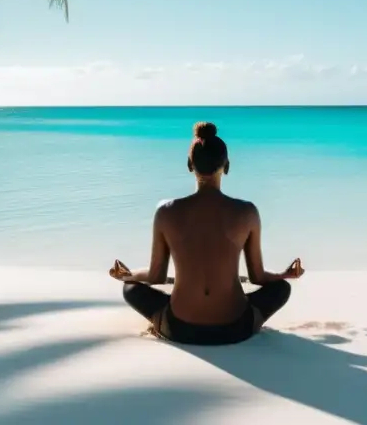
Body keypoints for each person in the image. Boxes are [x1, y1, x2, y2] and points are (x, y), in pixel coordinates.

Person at [110, 121, 304, 345]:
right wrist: (284, 275)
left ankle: (161, 319)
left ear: (189, 165)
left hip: (179, 329)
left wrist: (128, 275)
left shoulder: (165, 211)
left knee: (131, 288)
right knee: (281, 289)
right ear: (227, 166)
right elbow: (257, 277)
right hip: (235, 328)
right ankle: (250, 319)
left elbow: (156, 276)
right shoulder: (247, 212)